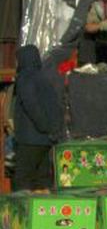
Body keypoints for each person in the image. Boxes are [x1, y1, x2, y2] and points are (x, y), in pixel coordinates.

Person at [12, 45, 63, 191]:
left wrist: (42, 125)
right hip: (46, 139)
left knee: (23, 179)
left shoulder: (25, 77)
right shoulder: (43, 77)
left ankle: (23, 206)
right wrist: (52, 130)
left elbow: (30, 104)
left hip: (30, 138)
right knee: (42, 179)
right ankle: (42, 204)